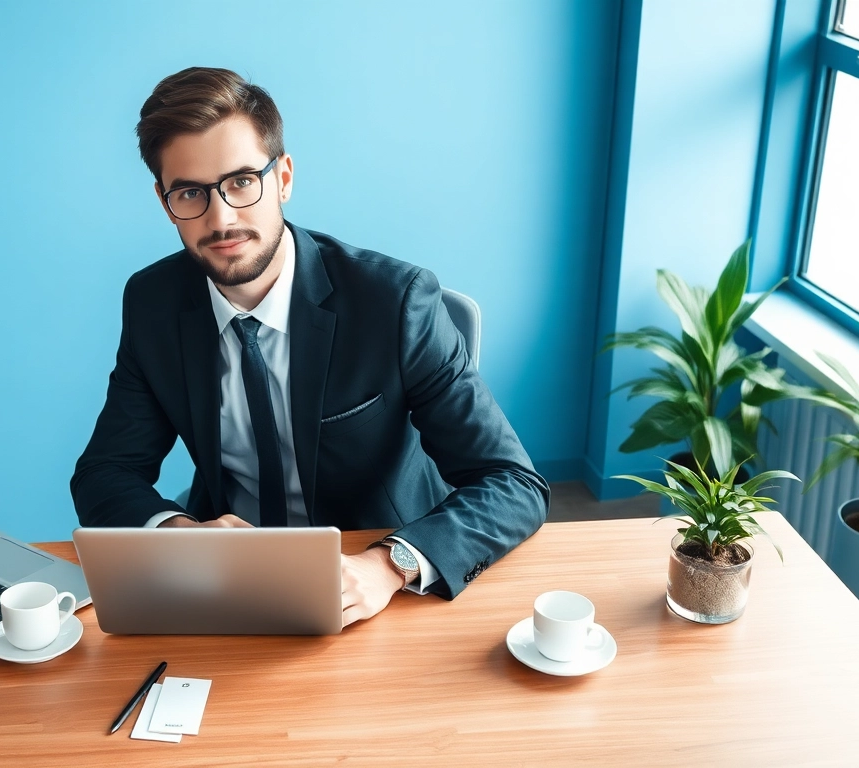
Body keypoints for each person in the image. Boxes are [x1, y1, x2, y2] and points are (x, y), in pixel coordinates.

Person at [71, 67, 549, 628]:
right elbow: (104, 473)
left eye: (242, 181)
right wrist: (181, 536)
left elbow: (513, 482)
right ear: (164, 200)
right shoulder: (153, 301)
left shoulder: (393, 301)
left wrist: (389, 565)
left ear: (284, 178)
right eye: (191, 193)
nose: (221, 217)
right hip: (225, 580)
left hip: (372, 576)